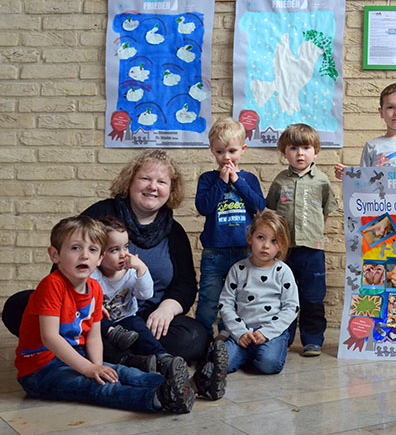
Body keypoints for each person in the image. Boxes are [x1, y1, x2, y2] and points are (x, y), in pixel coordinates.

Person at [3, 150, 228, 400]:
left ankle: (135, 359)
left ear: (171, 190)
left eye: (162, 182)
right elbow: (67, 263)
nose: (153, 187)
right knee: (20, 305)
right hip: (91, 314)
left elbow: (185, 284)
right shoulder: (100, 216)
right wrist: (87, 303)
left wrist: (167, 308)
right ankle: (136, 360)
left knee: (196, 337)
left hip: (146, 318)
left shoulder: (174, 232)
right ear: (130, 181)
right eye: (145, 179)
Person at [15, 216, 194, 413]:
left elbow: (93, 336)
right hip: (40, 370)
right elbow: (50, 337)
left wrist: (98, 367)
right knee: (97, 387)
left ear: (99, 258)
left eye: (92, 250)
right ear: (55, 255)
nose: (84, 256)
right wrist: (89, 370)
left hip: (76, 357)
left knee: (122, 373)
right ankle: (158, 398)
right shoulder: (51, 285)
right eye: (75, 248)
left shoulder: (94, 288)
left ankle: (186, 385)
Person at [266, 124, 338, 357]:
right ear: (284, 152)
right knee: (284, 296)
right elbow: (272, 213)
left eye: (306, 147)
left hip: (313, 251)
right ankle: (283, 337)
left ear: (315, 152)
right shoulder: (279, 181)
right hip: (285, 251)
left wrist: (313, 234)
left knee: (313, 297)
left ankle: (313, 340)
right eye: (293, 148)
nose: (300, 153)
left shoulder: (322, 181)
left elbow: (325, 213)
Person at [195, 117, 265, 333]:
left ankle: (230, 338)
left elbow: (259, 206)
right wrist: (222, 182)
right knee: (209, 298)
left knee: (239, 299)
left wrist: (237, 181)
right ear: (211, 150)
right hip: (214, 252)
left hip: (244, 250)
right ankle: (202, 339)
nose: (226, 158)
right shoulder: (208, 179)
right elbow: (204, 207)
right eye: (219, 152)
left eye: (232, 151)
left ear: (242, 149)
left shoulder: (249, 179)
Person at [92, 217, 186, 375]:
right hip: (102, 323)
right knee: (95, 324)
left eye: (126, 247)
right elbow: (79, 297)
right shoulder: (93, 275)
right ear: (99, 255)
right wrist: (94, 306)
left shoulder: (130, 272)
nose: (123, 254)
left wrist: (141, 271)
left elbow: (145, 294)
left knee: (141, 330)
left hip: (126, 318)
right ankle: (125, 348)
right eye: (115, 250)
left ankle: (162, 358)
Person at [218, 210, 299, 375]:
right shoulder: (238, 269)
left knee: (269, 364)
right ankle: (240, 349)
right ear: (250, 237)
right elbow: (225, 304)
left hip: (272, 331)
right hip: (242, 329)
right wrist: (240, 332)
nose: (266, 246)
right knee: (221, 363)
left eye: (274, 241)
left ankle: (255, 353)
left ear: (281, 246)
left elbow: (292, 307)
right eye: (261, 237)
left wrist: (267, 332)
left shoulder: (283, 271)